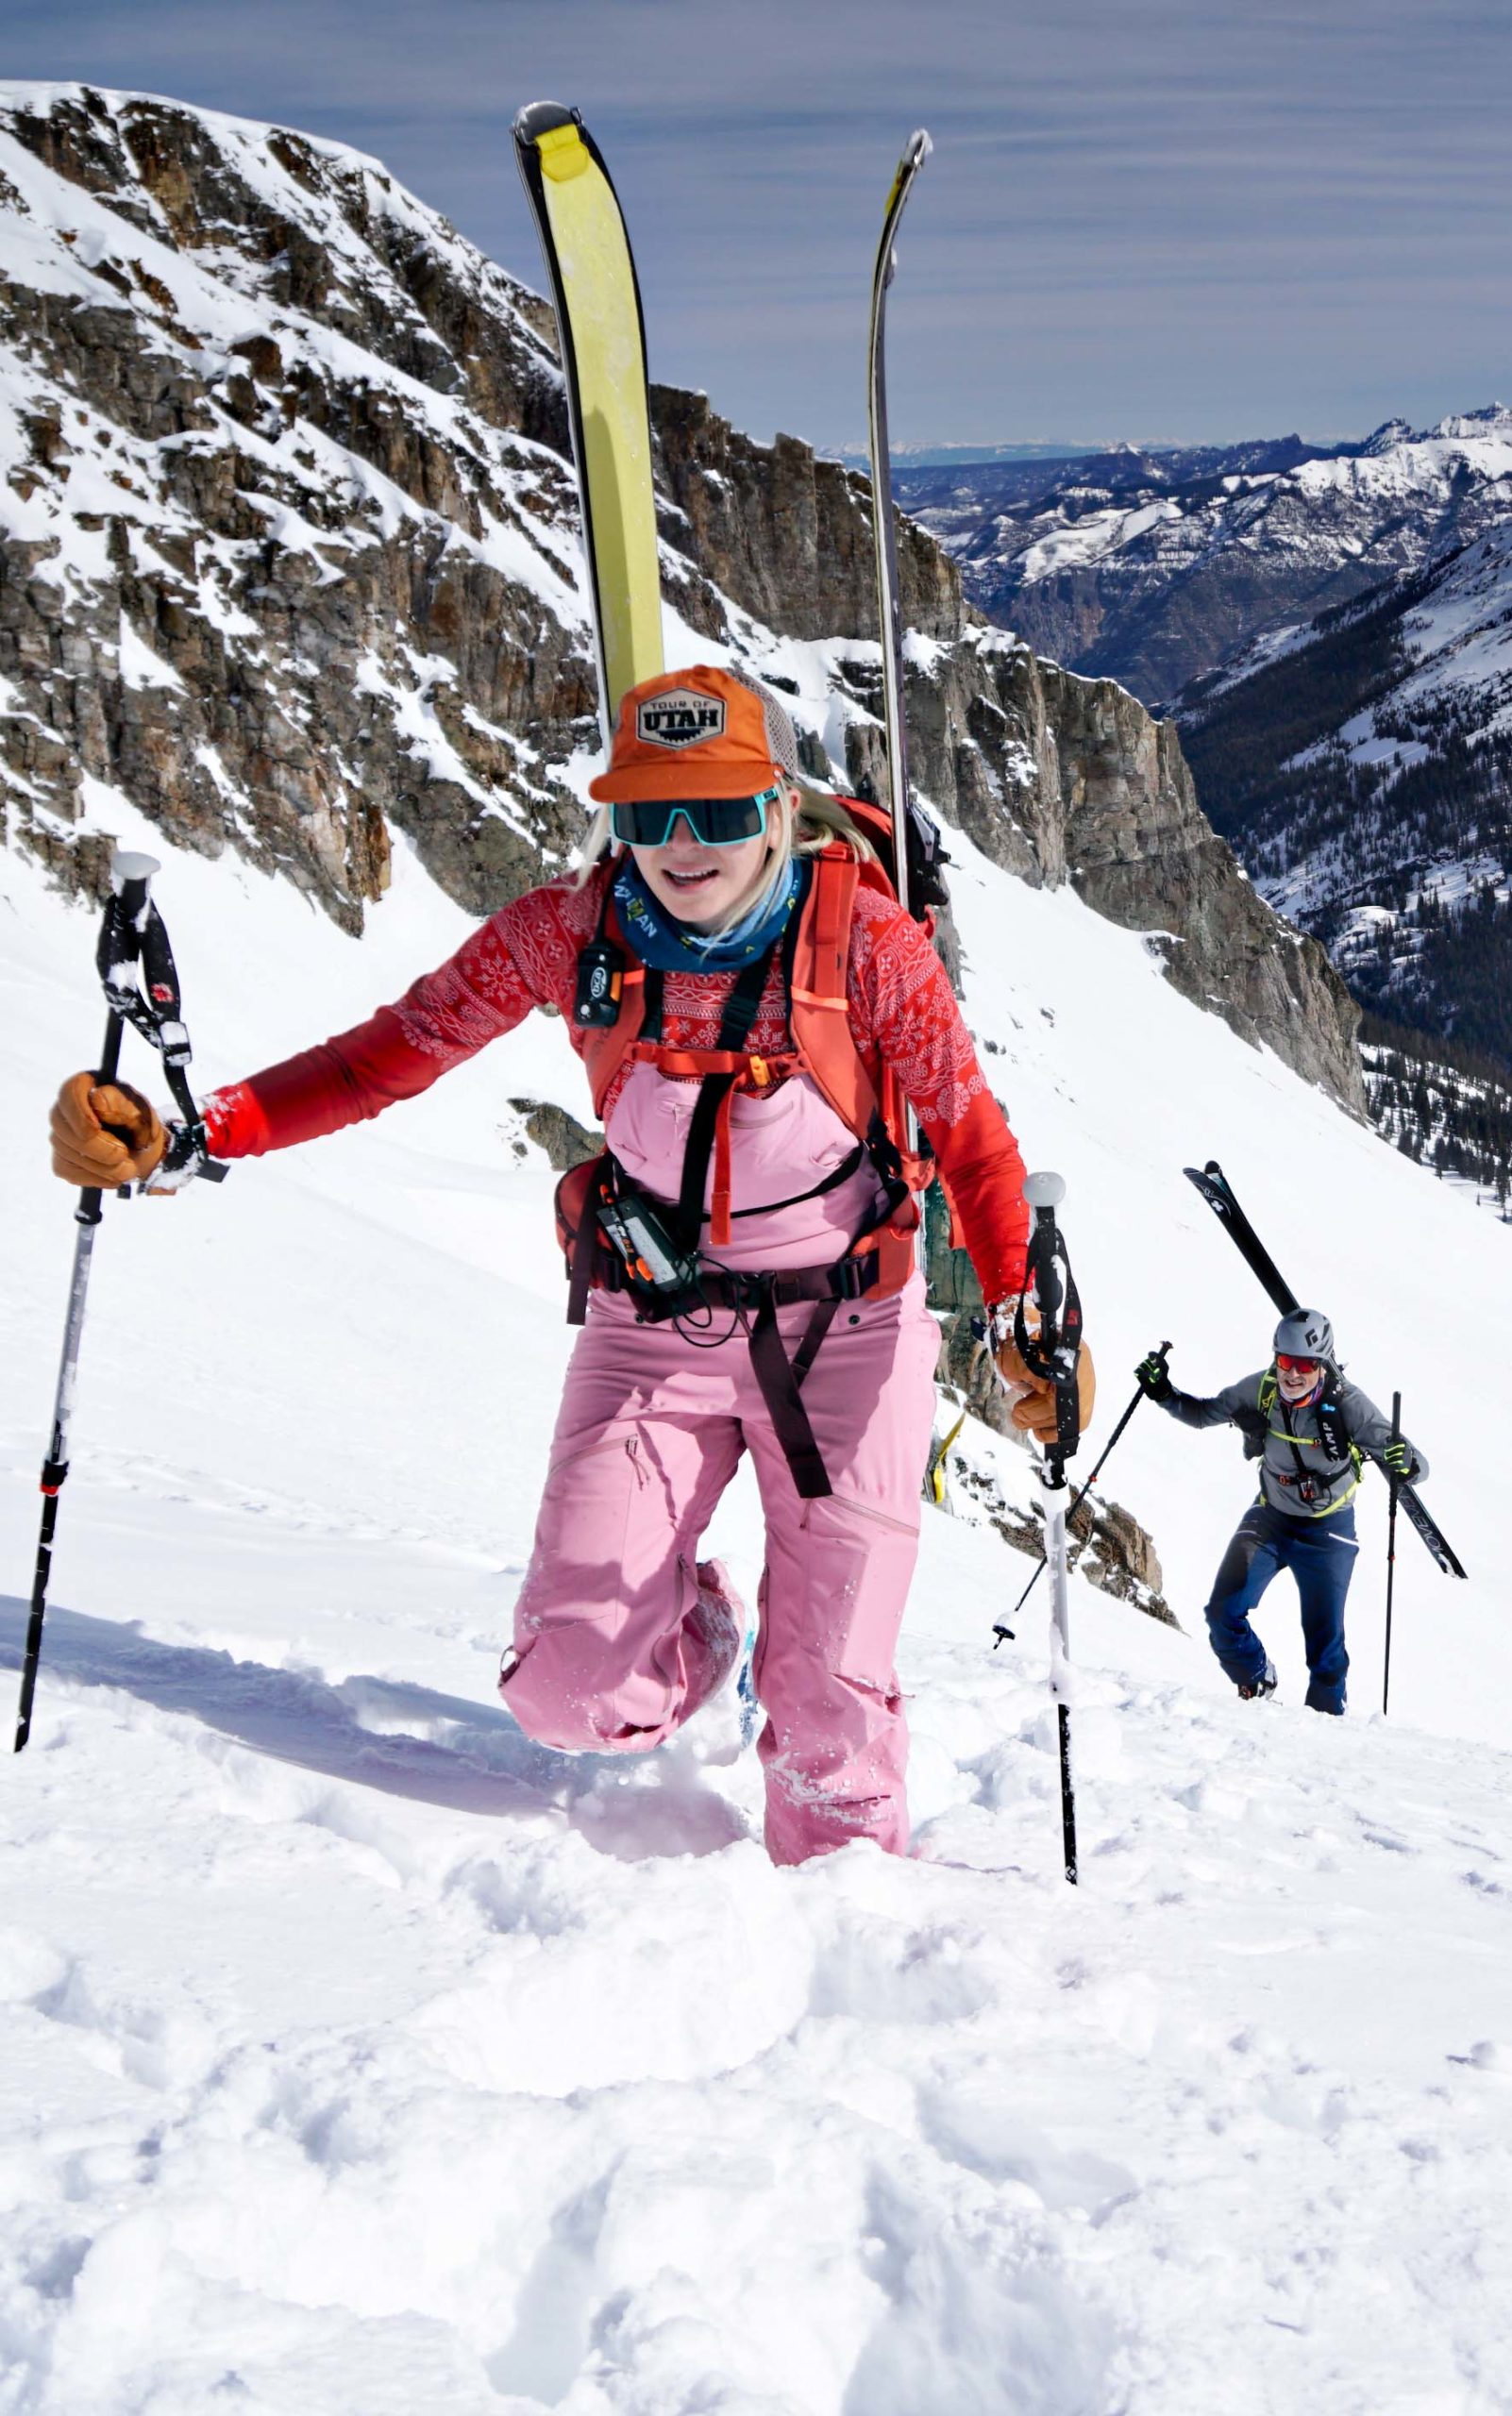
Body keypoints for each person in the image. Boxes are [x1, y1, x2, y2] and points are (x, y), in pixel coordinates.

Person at [49, 663, 1094, 1863]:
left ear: (776, 808)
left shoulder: (863, 938)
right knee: (569, 1691)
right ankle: (710, 1627)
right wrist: (197, 1129)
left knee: (830, 1719)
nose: (681, 843)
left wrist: (1024, 1309)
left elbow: (969, 1134)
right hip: (652, 1323)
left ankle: (844, 1957)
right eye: (650, 813)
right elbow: (386, 1055)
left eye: (713, 808)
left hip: (846, 1333)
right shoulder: (571, 931)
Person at [1134, 1310, 1424, 1715]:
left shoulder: (1348, 1404)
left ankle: (1324, 1726)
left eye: (1305, 1365)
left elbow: (1414, 1464)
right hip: (1270, 1517)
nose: (1293, 1373)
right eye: (1285, 1361)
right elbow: (1202, 1414)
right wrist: (1163, 1392)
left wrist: (1406, 1461)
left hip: (1328, 1530)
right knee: (1222, 1613)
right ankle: (1255, 1679)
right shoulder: (1261, 1390)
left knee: (1325, 1646)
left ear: (1322, 1363)